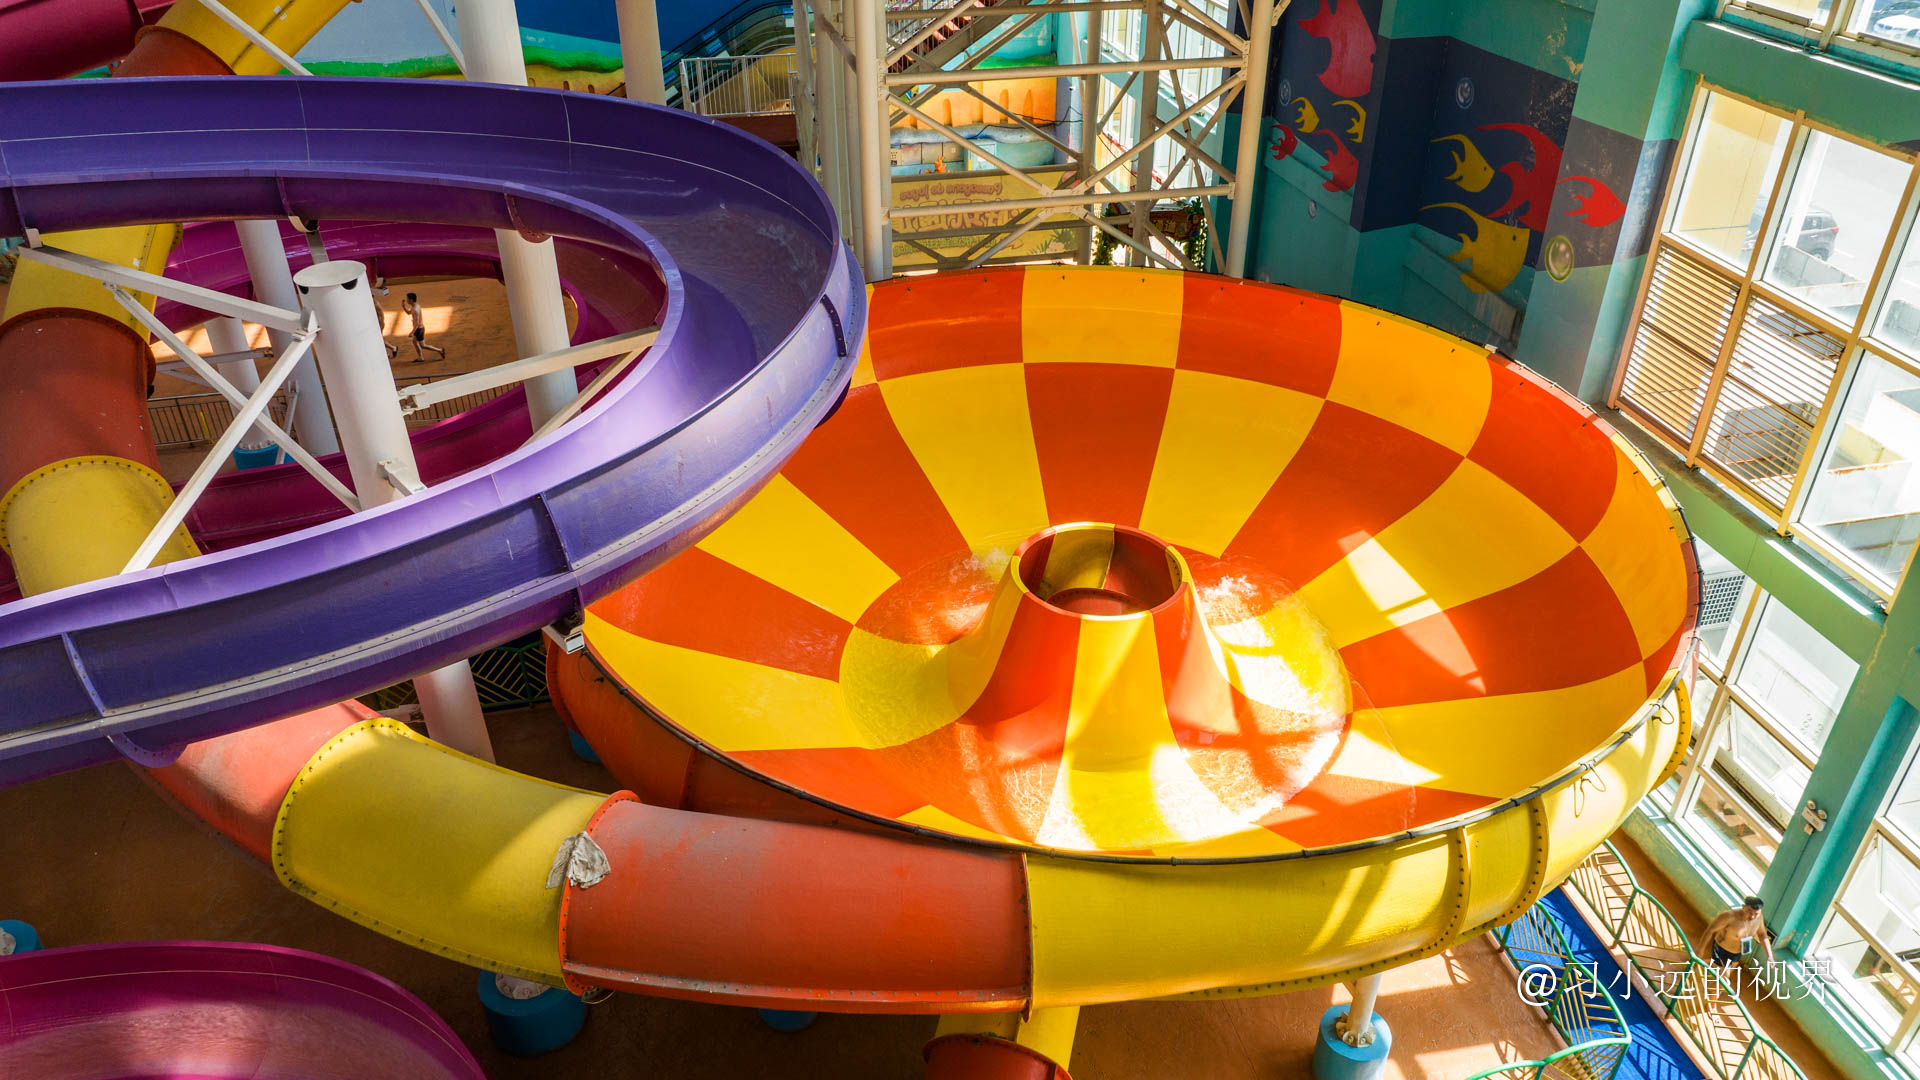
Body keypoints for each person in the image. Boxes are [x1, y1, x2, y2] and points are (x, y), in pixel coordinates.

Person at [1699, 896, 1774, 970]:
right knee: (1724, 974)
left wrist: (1769, 955)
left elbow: (1762, 934)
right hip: (1721, 949)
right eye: (1749, 912)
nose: (1752, 917)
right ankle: (1700, 961)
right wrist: (1700, 949)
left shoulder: (1759, 918)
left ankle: (1701, 962)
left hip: (1737, 953)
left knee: (1725, 971)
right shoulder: (1729, 916)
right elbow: (1710, 930)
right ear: (1743, 907)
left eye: (1756, 914)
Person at [400, 291, 446, 362]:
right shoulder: (415, 306)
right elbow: (409, 313)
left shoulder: (415, 310)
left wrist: (412, 332)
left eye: (408, 299)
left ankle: (439, 350)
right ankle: (421, 357)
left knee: (423, 345)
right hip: (419, 329)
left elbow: (417, 323)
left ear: (411, 300)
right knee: (414, 342)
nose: (407, 300)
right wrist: (404, 306)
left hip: (419, 330)